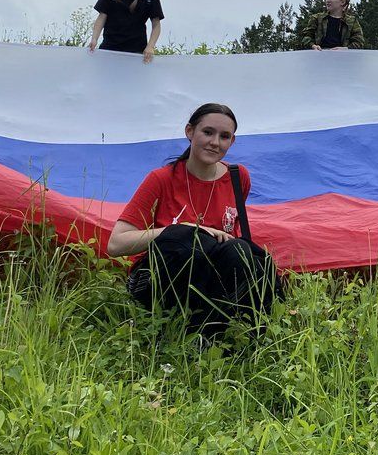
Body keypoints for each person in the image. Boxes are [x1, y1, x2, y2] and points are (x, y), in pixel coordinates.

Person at [108, 103, 281, 336]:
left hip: (217, 280)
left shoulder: (238, 177)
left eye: (224, 136)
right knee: (186, 240)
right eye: (208, 132)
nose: (215, 142)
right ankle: (180, 332)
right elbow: (116, 244)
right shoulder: (161, 179)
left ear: (232, 142)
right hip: (165, 279)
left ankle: (236, 336)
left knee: (239, 250)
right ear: (190, 132)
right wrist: (178, 228)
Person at [298, 0, 366, 50]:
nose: (328, 0)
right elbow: (306, 37)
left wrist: (346, 49)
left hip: (343, 58)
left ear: (342, 2)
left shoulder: (352, 21)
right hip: (319, 57)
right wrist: (313, 46)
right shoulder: (316, 18)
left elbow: (359, 42)